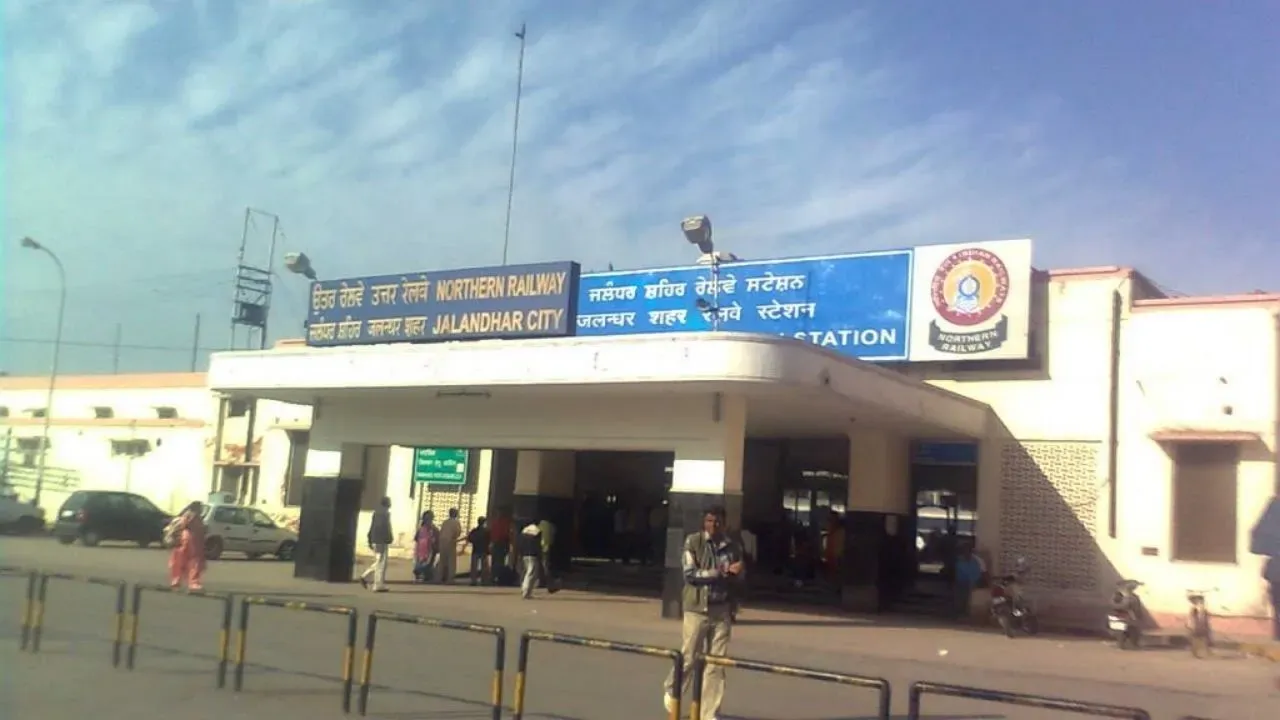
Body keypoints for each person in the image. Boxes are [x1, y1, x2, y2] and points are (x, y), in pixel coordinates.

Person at [662, 506, 744, 720]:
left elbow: (738, 576)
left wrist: (738, 573)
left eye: (717, 521)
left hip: (721, 610)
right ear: (703, 522)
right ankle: (673, 690)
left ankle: (709, 712)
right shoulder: (693, 542)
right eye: (709, 520)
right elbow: (691, 575)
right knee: (689, 656)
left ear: (724, 523)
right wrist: (721, 572)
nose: (713, 525)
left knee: (716, 663)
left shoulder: (732, 546)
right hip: (697, 610)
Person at [167, 501, 207, 590]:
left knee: (179, 560)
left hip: (185, 539)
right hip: (192, 539)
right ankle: (193, 582)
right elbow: (197, 528)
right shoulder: (194, 516)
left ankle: (176, 580)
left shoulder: (185, 515)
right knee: (194, 561)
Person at [361, 497, 393, 592]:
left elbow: (373, 527)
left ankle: (370, 579)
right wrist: (389, 537)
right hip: (381, 541)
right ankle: (376, 583)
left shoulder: (376, 513)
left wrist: (370, 539)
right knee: (381, 562)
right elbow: (385, 528)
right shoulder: (384, 514)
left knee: (379, 561)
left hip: (376, 540)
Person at [954, 543, 984, 620]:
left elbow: (979, 574)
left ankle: (965, 612)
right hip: (961, 582)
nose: (966, 553)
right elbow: (957, 572)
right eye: (964, 551)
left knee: (967, 596)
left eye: (968, 551)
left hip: (972, 582)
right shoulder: (959, 561)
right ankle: (959, 612)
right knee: (960, 595)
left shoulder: (976, 562)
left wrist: (974, 583)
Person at [517, 519, 544, 599]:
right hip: (533, 555)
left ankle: (525, 589)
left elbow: (520, 544)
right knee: (531, 573)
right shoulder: (537, 532)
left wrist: (520, 554)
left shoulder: (524, 532)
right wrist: (540, 555)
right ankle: (526, 591)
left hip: (525, 554)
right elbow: (538, 545)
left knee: (527, 572)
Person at [438, 508, 463, 584]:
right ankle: (450, 578)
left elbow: (441, 532)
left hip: (442, 542)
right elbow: (457, 532)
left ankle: (439, 577)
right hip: (451, 542)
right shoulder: (456, 522)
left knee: (442, 560)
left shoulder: (445, 522)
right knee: (451, 560)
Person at [413, 511, 436, 583]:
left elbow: (416, 538)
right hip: (426, 547)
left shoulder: (421, 528)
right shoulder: (430, 528)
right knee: (426, 561)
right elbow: (432, 537)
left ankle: (420, 574)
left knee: (422, 561)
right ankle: (421, 573)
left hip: (421, 546)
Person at [467, 516, 490, 586]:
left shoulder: (474, 530)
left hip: (475, 550)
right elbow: (489, 540)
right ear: (484, 522)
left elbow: (469, 539)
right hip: (484, 550)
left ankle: (473, 581)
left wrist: (475, 541)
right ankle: (484, 581)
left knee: (474, 567)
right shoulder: (486, 531)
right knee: (484, 567)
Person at [537, 516, 556, 587]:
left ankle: (542, 581)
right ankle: (548, 581)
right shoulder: (552, 526)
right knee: (546, 565)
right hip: (547, 547)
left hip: (540, 547)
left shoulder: (540, 525)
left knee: (540, 566)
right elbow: (553, 535)